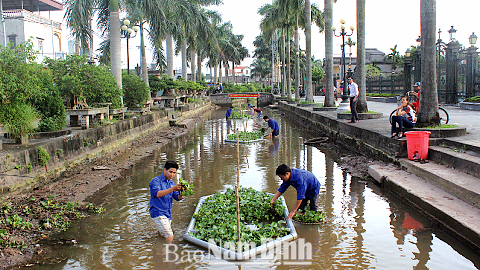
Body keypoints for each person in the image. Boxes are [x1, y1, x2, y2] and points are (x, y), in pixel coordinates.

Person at [149, 161, 183, 243]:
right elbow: (157, 194)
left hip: (167, 213)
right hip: (158, 212)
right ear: (165, 170)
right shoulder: (156, 181)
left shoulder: (171, 183)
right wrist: (172, 189)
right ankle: (167, 254)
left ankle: (158, 250)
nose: (172, 175)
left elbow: (177, 198)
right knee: (169, 236)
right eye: (170, 172)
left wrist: (181, 192)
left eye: (174, 173)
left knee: (162, 235)